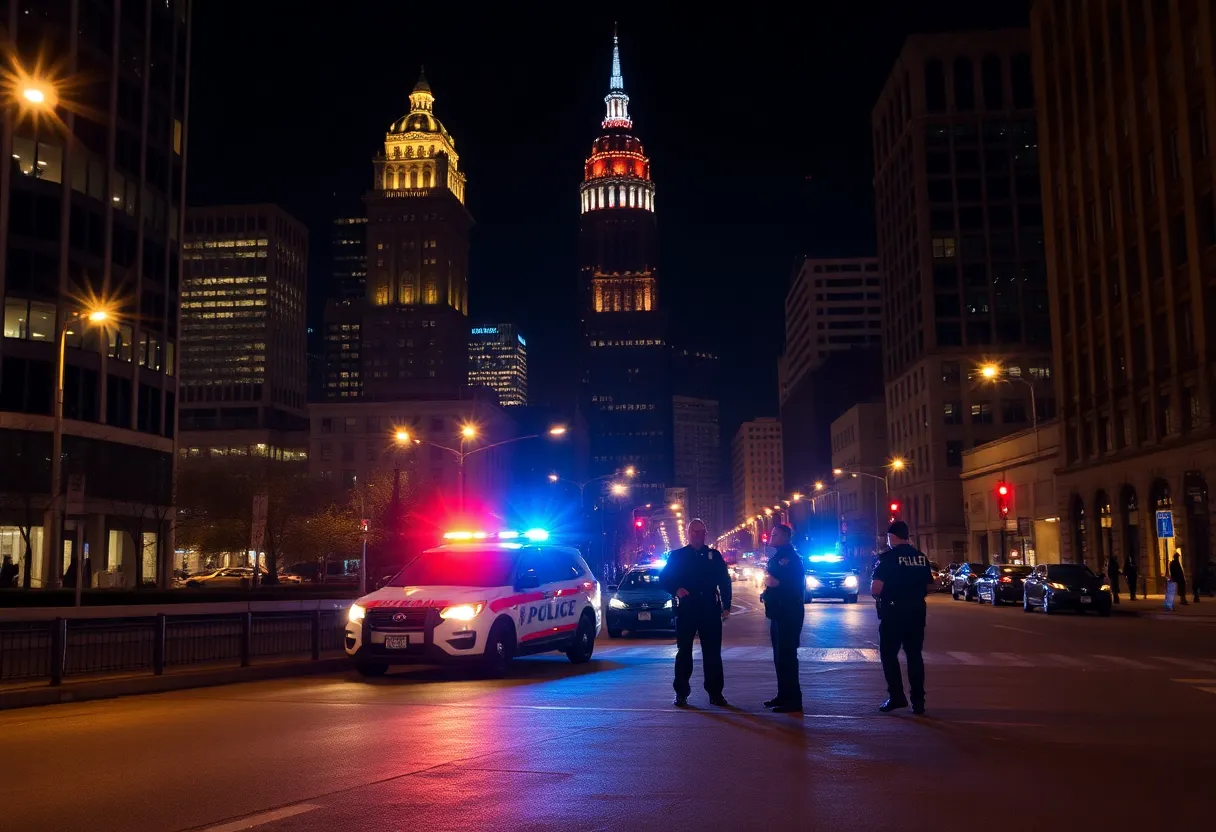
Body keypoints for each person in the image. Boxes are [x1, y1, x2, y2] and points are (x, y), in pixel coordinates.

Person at [660, 518, 732, 707]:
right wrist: (676, 589)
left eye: (701, 532)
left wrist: (727, 605)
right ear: (688, 533)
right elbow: (664, 578)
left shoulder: (714, 555)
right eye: (694, 532)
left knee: (713, 654)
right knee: (684, 652)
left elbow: (724, 580)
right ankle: (681, 693)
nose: (698, 535)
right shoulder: (678, 556)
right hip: (687, 609)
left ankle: (715, 693)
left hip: (709, 608)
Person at [871, 521, 934, 714]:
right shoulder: (921, 557)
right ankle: (918, 701)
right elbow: (931, 586)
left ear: (892, 537)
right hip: (916, 611)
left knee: (889, 655)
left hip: (894, 612)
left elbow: (876, 588)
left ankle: (897, 696)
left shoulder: (887, 558)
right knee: (914, 655)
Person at [760, 524, 805, 713]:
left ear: (786, 537)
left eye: (775, 534)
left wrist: (777, 583)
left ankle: (793, 700)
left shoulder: (791, 559)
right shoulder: (778, 557)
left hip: (789, 612)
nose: (771, 536)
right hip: (778, 612)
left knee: (787, 656)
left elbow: (796, 583)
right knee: (779, 656)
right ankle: (783, 694)